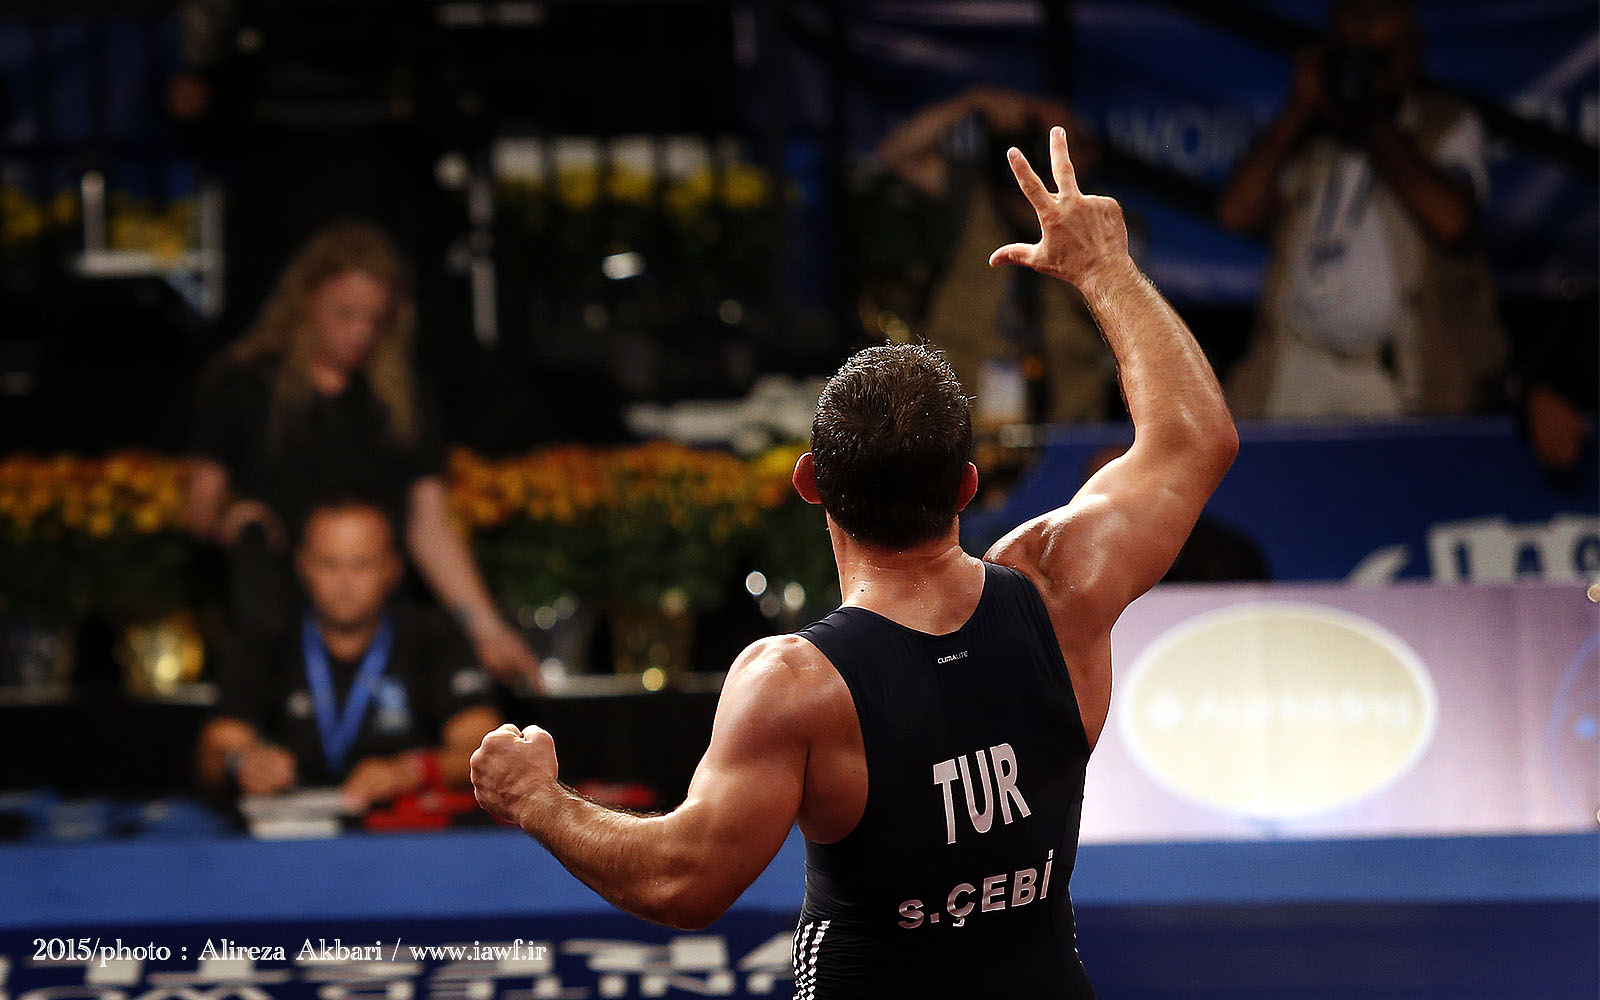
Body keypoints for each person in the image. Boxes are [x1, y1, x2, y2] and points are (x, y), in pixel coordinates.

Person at [470, 128, 1238, 997]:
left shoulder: (797, 685)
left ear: (809, 483)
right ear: (968, 485)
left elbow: (683, 881)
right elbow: (1196, 439)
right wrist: (1105, 269)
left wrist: (537, 800)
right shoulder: (1060, 587)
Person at [185, 222, 538, 683]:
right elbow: (198, 507)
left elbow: (429, 524)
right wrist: (232, 520)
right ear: (306, 301)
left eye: (375, 319)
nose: (360, 331)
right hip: (275, 627)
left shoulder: (401, 397)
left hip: (381, 631)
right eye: (345, 313)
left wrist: (486, 629)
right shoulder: (242, 383)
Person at [1217, 0, 1504, 419]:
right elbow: (1235, 212)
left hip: (1394, 370)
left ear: (1411, 50)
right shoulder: (1311, 130)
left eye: (1378, 56)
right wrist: (1297, 111)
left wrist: (1370, 120)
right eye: (1349, 51)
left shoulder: (1444, 123)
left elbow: (1451, 220)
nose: (1361, 69)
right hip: (1299, 362)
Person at [198, 496, 504, 811]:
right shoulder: (266, 639)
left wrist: (412, 770)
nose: (344, 581)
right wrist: (242, 763)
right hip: (288, 830)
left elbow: (483, 746)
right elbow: (214, 749)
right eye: (329, 563)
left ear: (392, 568)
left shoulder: (434, 636)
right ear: (302, 565)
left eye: (362, 564)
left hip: (404, 830)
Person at [877, 86, 1113, 428]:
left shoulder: (1106, 219)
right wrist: (972, 101)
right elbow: (898, 154)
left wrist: (1061, 231)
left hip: (1069, 419)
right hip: (967, 412)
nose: (1042, 159)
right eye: (1036, 142)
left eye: (1060, 145)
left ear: (1087, 155)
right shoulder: (972, 193)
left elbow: (1121, 312)